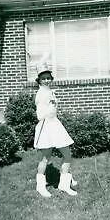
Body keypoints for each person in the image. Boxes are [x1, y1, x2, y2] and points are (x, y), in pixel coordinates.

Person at [34, 64, 77, 197]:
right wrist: (49, 108)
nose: (47, 80)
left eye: (48, 78)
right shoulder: (41, 94)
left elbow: (53, 111)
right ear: (39, 80)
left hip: (55, 125)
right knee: (45, 158)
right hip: (46, 126)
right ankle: (40, 186)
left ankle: (64, 185)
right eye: (44, 78)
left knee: (67, 155)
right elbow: (40, 115)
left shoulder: (50, 92)